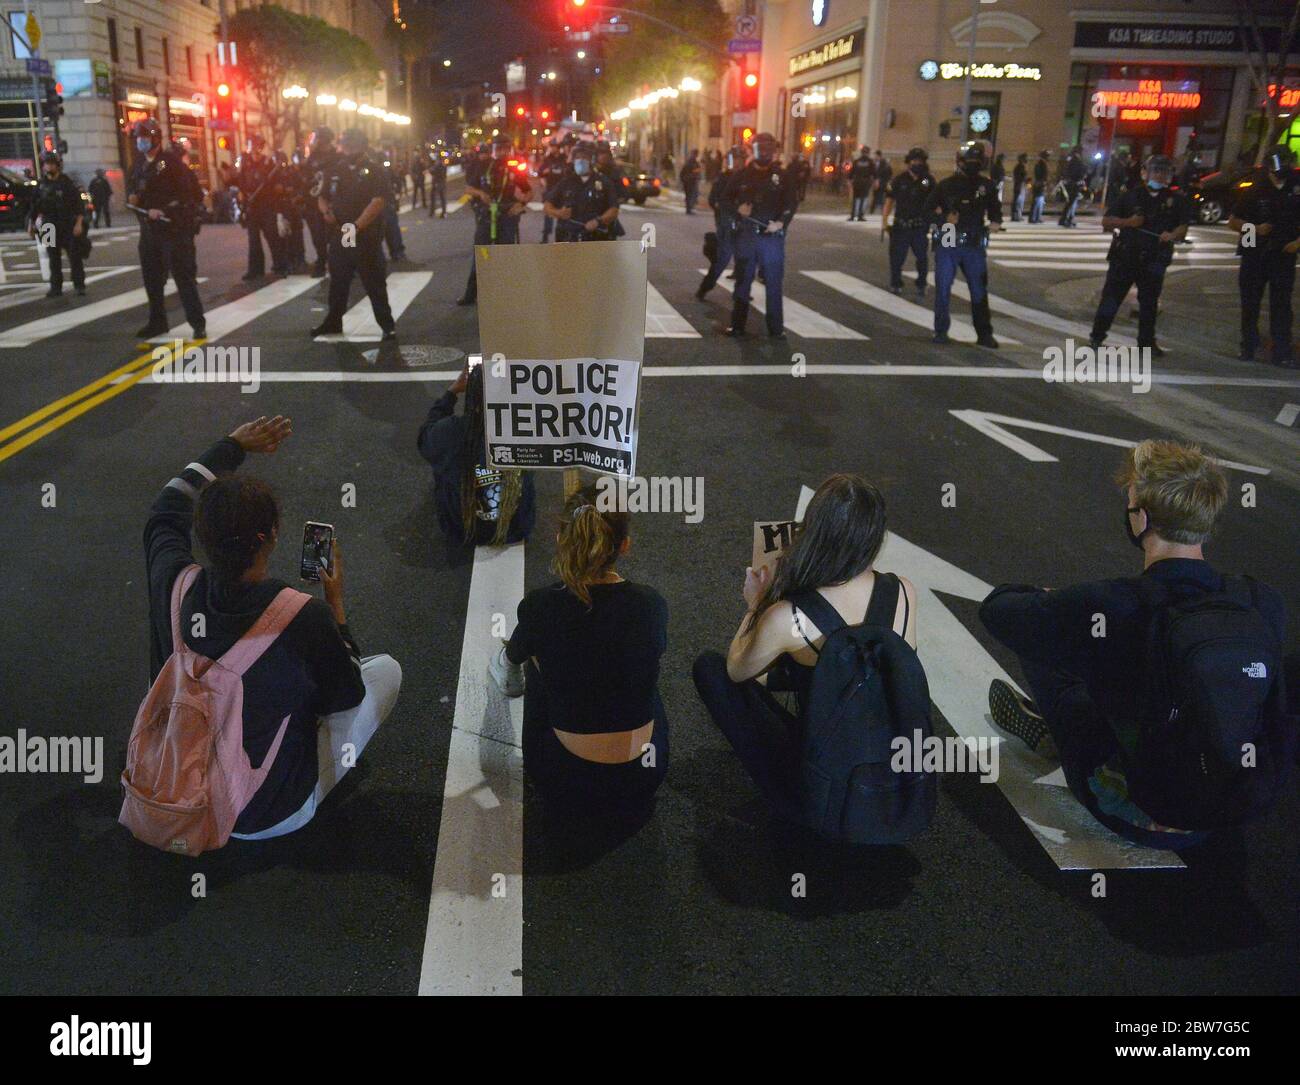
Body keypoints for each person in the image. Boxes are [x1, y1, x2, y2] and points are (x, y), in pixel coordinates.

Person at [979, 440, 1289, 849]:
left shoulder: (1112, 604)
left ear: (1140, 519)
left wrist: (1052, 598)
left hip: (1131, 812)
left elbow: (997, 611)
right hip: (1225, 813)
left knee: (1051, 641)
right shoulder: (1259, 601)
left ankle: (1066, 736)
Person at [143, 415, 402, 841]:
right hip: (260, 817)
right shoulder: (300, 614)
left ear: (202, 536)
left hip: (176, 786)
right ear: (272, 536)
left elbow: (166, 508)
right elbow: (346, 697)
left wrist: (230, 445)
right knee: (384, 671)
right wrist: (336, 608)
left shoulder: (175, 582)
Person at [693, 474, 918, 824]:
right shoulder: (903, 591)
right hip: (894, 793)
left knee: (710, 669)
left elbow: (737, 669)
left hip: (824, 804)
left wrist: (755, 606)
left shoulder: (790, 616)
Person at [490, 487, 668, 816]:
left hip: (563, 779)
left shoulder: (541, 605)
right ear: (624, 546)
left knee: (537, 659)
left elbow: (521, 650)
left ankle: (512, 678)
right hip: (645, 776)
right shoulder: (651, 604)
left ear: (561, 538)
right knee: (643, 677)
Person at [416, 361, 536, 546]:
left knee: (444, 463)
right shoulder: (524, 427)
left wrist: (452, 392)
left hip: (461, 531)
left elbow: (424, 439)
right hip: (515, 529)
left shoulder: (450, 431)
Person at [1088, 154, 1190, 357]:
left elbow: (1183, 227)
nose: (1160, 176)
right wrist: (1129, 223)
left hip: (1155, 258)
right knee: (1111, 298)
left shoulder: (1176, 200)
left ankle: (1147, 343)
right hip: (1125, 256)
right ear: (1145, 173)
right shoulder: (1130, 196)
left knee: (1149, 304)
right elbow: (1107, 221)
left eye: (1164, 172)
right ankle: (1097, 336)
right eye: (1156, 171)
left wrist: (1172, 235)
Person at [311, 128, 395, 341]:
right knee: (338, 280)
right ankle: (333, 322)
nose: (346, 149)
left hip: (364, 235)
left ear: (362, 146)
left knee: (373, 282)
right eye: (345, 144)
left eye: (351, 145)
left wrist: (356, 226)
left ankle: (387, 325)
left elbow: (378, 201)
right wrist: (327, 212)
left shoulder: (374, 170)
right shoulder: (335, 169)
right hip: (342, 233)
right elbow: (321, 196)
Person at [127, 117, 205, 339]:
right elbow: (133, 192)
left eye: (145, 137)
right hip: (149, 232)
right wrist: (134, 201)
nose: (141, 142)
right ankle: (157, 322)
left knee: (183, 279)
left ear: (155, 138)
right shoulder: (138, 166)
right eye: (138, 138)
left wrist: (164, 210)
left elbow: (189, 196)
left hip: (174, 231)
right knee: (152, 280)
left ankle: (197, 323)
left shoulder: (170, 164)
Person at [721, 131, 798, 338]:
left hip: (772, 236)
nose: (764, 152)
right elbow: (724, 201)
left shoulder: (782, 176)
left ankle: (776, 328)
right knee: (743, 282)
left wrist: (781, 222)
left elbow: (791, 203)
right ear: (753, 149)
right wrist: (738, 208)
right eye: (760, 148)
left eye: (768, 148)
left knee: (773, 283)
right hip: (747, 235)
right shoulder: (742, 175)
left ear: (774, 150)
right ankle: (737, 325)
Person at [1229, 147, 1300, 367]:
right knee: (1250, 303)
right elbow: (1234, 220)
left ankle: (1281, 351)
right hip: (1254, 251)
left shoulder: (1295, 188)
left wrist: (1297, 243)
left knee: (1281, 305)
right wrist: (1255, 228)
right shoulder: (1255, 189)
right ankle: (1248, 346)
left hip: (1283, 254)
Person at [928, 140, 1001, 347]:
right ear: (960, 161)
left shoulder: (986, 186)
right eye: (969, 160)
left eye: (976, 160)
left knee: (978, 289)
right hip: (950, 235)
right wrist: (943, 220)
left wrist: (994, 223)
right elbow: (927, 210)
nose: (972, 164)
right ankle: (941, 330)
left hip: (973, 240)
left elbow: (995, 211)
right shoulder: (946, 185)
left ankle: (984, 333)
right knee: (943, 287)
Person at [458, 136, 530, 305]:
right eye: (498, 148)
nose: (501, 152)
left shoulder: (513, 168)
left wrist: (521, 204)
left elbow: (528, 191)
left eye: (505, 148)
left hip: (507, 217)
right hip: (486, 217)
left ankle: (507, 294)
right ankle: (471, 294)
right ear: (493, 149)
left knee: (506, 255)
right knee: (481, 254)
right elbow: (468, 188)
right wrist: (481, 194)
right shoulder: (483, 166)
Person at [29, 152, 87, 298]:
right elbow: (34, 207)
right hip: (48, 225)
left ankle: (79, 285)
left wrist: (79, 223)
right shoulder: (41, 185)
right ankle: (56, 287)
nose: (49, 166)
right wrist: (31, 225)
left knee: (74, 256)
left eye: (51, 163)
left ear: (57, 165)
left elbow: (79, 205)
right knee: (53, 257)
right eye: (46, 164)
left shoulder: (66, 183)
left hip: (67, 223)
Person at [881, 146, 935, 299]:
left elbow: (936, 202)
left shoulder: (928, 180)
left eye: (919, 161)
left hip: (919, 226)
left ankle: (921, 283)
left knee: (922, 258)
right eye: (914, 161)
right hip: (901, 226)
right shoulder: (899, 180)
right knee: (896, 258)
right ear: (908, 162)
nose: (917, 164)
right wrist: (884, 221)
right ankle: (896, 283)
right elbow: (889, 201)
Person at [542, 141, 618, 243]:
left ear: (592, 159)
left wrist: (598, 221)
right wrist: (559, 213)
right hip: (568, 239)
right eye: (577, 157)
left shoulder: (604, 182)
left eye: (584, 157)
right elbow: (547, 206)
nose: (580, 160)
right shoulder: (566, 182)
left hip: (595, 239)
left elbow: (614, 209)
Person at [235, 134, 287, 280]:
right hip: (252, 205)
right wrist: (242, 198)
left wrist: (271, 185)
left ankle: (280, 266)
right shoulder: (245, 163)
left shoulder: (269, 163)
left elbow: (279, 185)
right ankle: (255, 269)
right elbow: (240, 182)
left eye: (256, 145)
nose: (253, 149)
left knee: (272, 236)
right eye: (251, 145)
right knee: (253, 239)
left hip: (267, 205)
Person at [696, 144, 744, 299]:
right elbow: (713, 199)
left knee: (745, 258)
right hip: (726, 222)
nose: (736, 163)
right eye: (733, 159)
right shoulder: (723, 178)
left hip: (743, 223)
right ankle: (705, 287)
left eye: (739, 159)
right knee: (723, 258)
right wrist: (721, 209)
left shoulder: (749, 178)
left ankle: (742, 290)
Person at [303, 126, 338, 278]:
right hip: (315, 202)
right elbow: (305, 177)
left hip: (335, 201)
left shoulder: (338, 156)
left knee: (340, 233)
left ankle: (345, 262)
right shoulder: (312, 157)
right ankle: (321, 261)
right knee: (318, 235)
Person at [1058, 145, 1086, 227]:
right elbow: (1075, 172)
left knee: (1072, 203)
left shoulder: (1073, 160)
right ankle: (1065, 219)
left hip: (1073, 183)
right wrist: (1081, 175)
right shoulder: (1075, 160)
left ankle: (1068, 219)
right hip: (1074, 184)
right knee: (1071, 203)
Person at [848, 147, 875, 221]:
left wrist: (850, 180)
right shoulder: (870, 162)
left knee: (855, 199)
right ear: (868, 153)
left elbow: (851, 172)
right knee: (863, 199)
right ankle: (860, 215)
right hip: (865, 182)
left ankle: (853, 215)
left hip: (856, 182)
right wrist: (873, 182)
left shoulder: (856, 161)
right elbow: (873, 173)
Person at [1029, 149, 1049, 223]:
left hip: (1040, 184)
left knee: (1040, 202)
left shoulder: (1042, 163)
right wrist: (1042, 182)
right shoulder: (1041, 164)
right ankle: (1033, 218)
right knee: (1037, 201)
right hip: (1039, 185)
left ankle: (1037, 217)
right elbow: (1040, 175)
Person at [681, 148, 702, 215]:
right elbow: (695, 170)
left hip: (688, 180)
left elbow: (683, 172)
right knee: (691, 195)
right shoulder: (692, 162)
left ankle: (689, 208)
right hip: (691, 180)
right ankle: (689, 208)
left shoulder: (690, 161)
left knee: (689, 195)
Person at [870, 149, 892, 213]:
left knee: (881, 195)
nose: (875, 157)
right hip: (876, 182)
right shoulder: (874, 163)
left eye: (876, 156)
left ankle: (882, 209)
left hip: (883, 182)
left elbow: (889, 173)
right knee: (876, 196)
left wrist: (886, 181)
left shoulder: (885, 164)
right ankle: (873, 209)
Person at [429, 151, 448, 218]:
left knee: (433, 197)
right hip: (442, 182)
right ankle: (444, 212)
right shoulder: (443, 163)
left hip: (437, 182)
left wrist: (430, 169)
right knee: (443, 198)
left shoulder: (437, 164)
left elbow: (433, 171)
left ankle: (432, 212)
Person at [1011, 152, 1028, 221]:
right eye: (1025, 158)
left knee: (1019, 201)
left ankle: (1018, 215)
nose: (1026, 160)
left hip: (1020, 185)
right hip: (1019, 186)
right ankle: (1016, 216)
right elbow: (1021, 177)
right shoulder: (1020, 167)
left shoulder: (1020, 167)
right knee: (1018, 201)